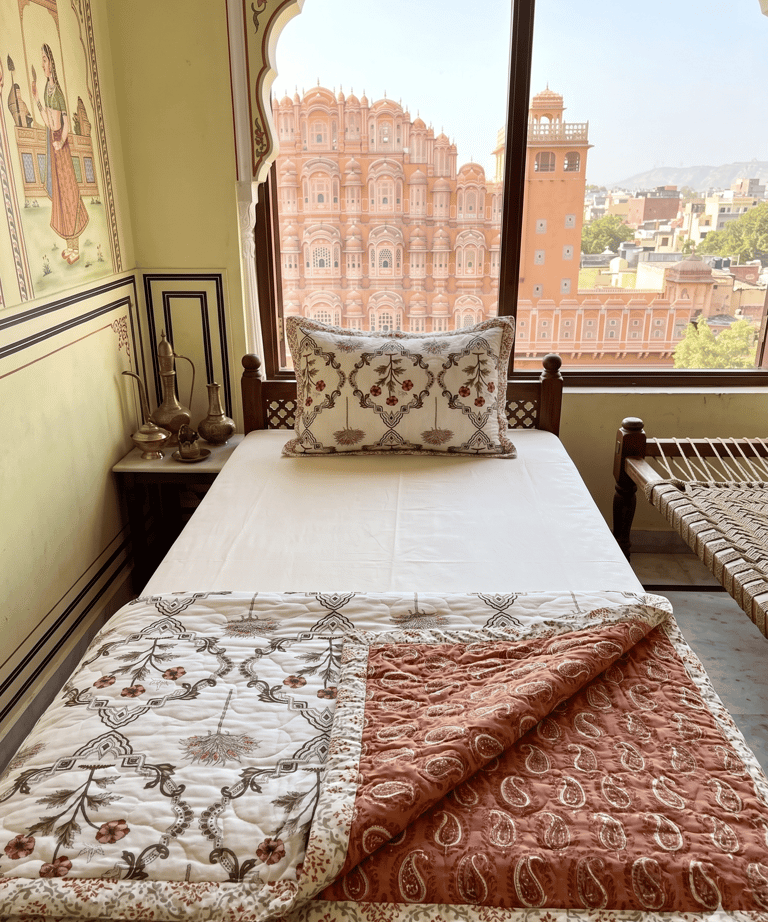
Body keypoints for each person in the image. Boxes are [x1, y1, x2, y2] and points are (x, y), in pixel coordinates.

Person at [31, 44, 88, 264]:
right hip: (54, 144)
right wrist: (36, 99)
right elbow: (48, 120)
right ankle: (69, 245)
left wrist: (61, 141)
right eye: (42, 60)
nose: (43, 64)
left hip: (61, 147)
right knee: (61, 196)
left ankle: (76, 246)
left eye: (45, 59)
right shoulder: (47, 90)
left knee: (70, 191)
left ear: (52, 63)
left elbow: (65, 124)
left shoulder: (59, 93)